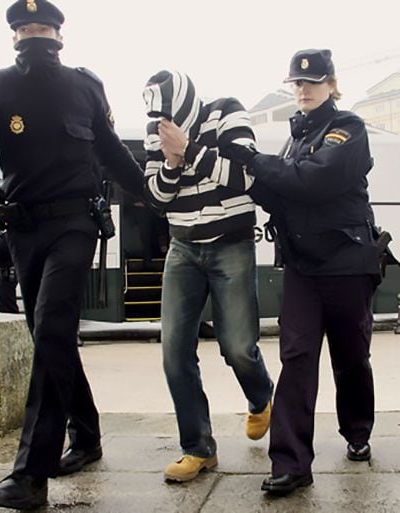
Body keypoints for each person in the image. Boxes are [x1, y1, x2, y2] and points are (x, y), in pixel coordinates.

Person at [0, 1, 144, 509]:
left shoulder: (85, 86)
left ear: (61, 34)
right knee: (50, 337)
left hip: (76, 223)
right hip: (23, 227)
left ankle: (30, 475)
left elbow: (111, 151)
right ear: (13, 36)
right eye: (25, 29)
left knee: (54, 327)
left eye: (44, 29)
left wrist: (153, 196)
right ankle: (88, 435)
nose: (35, 36)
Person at [221, 49, 381, 496]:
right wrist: (245, 174)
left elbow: (314, 181)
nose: (304, 90)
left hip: (347, 264)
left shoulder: (347, 128)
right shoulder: (294, 139)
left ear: (331, 84)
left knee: (351, 358)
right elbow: (284, 191)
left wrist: (254, 160)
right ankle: (291, 462)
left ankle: (357, 432)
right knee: (296, 360)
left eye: (313, 82)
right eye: (297, 84)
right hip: (303, 268)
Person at [142, 70, 273, 482]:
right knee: (174, 352)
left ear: (187, 105)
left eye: (169, 117)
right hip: (182, 247)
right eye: (158, 118)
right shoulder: (156, 134)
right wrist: (170, 161)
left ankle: (261, 396)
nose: (162, 126)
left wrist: (190, 150)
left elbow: (247, 178)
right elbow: (156, 199)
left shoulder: (228, 114)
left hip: (231, 243)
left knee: (237, 346)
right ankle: (197, 449)